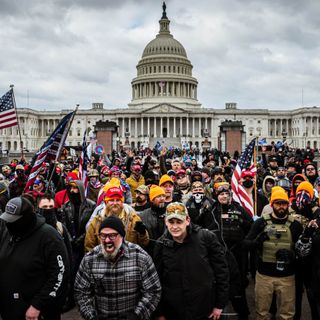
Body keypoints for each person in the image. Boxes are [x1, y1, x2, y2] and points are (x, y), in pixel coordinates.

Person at [74, 215, 161, 320]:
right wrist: (91, 316)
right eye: (103, 235)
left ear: (122, 236)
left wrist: (137, 315)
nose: (107, 240)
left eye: (112, 235)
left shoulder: (140, 257)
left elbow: (153, 291)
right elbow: (81, 292)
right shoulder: (90, 259)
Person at [154, 202, 229, 320]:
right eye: (171, 222)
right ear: (165, 222)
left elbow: (221, 273)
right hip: (174, 311)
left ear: (187, 220)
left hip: (204, 309)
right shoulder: (161, 244)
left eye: (179, 222)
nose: (174, 227)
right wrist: (160, 313)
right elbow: (157, 281)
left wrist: (219, 304)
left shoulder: (206, 238)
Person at [0, 196, 69, 320]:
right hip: (10, 309)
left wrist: (37, 305)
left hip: (36, 313)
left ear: (25, 218)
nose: (9, 223)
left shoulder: (49, 237)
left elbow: (59, 274)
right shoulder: (8, 231)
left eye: (13, 220)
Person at [243, 188, 303, 320]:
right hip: (264, 276)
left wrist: (293, 255)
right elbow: (245, 244)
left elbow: (303, 250)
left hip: (287, 277)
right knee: (262, 313)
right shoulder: (260, 223)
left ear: (288, 204)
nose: (281, 206)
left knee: (287, 315)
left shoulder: (295, 225)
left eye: (284, 203)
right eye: (278, 203)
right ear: (272, 204)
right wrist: (258, 241)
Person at [85, 186, 149, 252]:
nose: (115, 203)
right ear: (106, 202)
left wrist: (143, 234)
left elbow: (144, 244)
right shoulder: (97, 221)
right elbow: (89, 246)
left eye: (118, 200)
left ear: (122, 202)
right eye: (111, 200)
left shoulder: (133, 219)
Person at [139, 185, 167, 256]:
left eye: (163, 196)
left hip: (168, 253)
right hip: (150, 253)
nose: (162, 199)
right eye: (158, 196)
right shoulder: (142, 216)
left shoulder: (171, 212)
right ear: (152, 199)